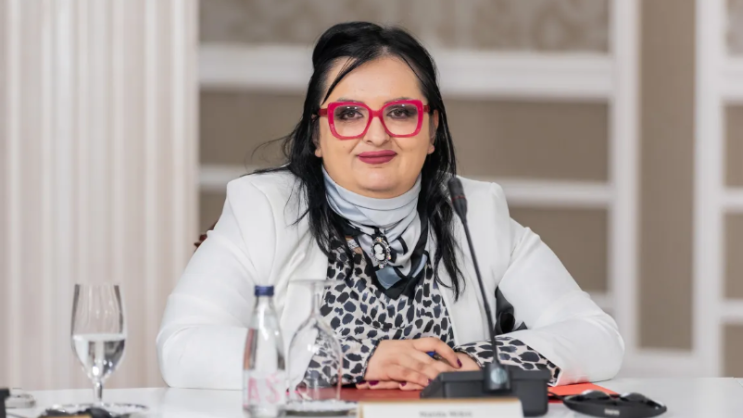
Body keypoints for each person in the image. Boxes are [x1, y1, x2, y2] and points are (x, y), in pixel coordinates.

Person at [157, 21, 624, 391]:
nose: (376, 134)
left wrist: (472, 362)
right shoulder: (262, 208)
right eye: (348, 114)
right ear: (317, 134)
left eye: (400, 113)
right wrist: (357, 360)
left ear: (432, 129)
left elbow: (598, 337)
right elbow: (183, 346)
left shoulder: (474, 210)